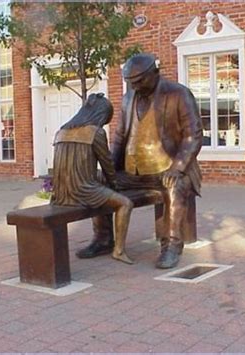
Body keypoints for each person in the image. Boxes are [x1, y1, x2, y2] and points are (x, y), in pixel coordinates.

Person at [76, 53, 203, 269]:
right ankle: (104, 238)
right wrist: (109, 170)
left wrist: (178, 168)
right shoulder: (128, 98)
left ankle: (172, 245)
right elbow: (119, 137)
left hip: (167, 168)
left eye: (139, 81)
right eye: (130, 83)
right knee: (97, 182)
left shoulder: (178, 94)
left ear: (155, 73)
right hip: (133, 172)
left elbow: (194, 136)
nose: (135, 87)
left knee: (175, 186)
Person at [51, 93, 134, 264]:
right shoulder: (95, 133)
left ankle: (103, 239)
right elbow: (108, 165)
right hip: (81, 191)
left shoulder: (61, 131)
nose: (103, 123)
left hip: (61, 193)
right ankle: (119, 251)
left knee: (100, 183)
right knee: (125, 203)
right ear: (100, 115)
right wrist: (115, 185)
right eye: (105, 120)